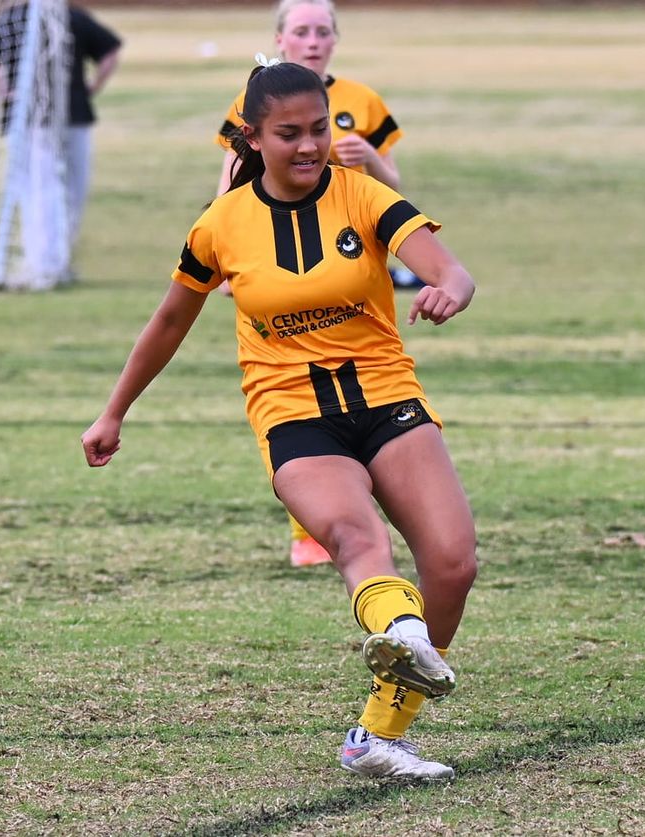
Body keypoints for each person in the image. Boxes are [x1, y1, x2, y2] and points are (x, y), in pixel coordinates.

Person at [81, 61, 478, 781]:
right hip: (293, 413)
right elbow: (171, 319)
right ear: (252, 139)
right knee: (354, 535)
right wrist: (114, 411)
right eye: (288, 134)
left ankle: (379, 733)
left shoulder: (365, 196)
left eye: (320, 129)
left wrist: (450, 290)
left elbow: (451, 269)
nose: (308, 146)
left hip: (387, 398)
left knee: (453, 563)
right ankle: (400, 629)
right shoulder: (220, 225)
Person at [215, 0, 420, 567]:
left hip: (353, 261)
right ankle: (314, 530)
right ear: (279, 37)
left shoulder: (362, 100)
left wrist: (371, 159)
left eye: (322, 31)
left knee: (371, 384)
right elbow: (231, 184)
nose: (312, 40)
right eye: (301, 31)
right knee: (295, 394)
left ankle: (380, 508)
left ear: (335, 39)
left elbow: (395, 186)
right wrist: (227, 256)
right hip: (281, 263)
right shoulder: (249, 105)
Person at [0, 1, 121, 290]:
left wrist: (6, 92)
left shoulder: (11, 18)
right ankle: (55, 260)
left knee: (36, 188)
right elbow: (110, 54)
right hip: (73, 113)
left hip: (31, 119)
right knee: (70, 189)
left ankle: (43, 262)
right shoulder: (72, 16)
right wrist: (93, 86)